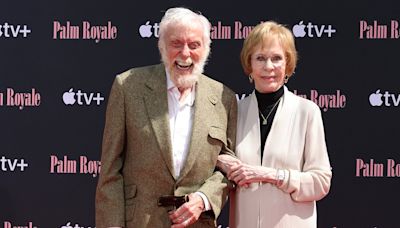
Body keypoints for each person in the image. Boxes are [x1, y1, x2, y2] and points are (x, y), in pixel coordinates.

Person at [95, 7, 237, 228]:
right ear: (162, 46)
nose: (185, 53)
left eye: (194, 45)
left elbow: (227, 168)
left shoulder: (223, 98)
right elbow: (110, 172)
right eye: (176, 44)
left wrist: (203, 199)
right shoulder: (128, 87)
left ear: (206, 49)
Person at [216, 21, 332, 228]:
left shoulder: (307, 111)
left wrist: (270, 175)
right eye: (260, 58)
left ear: (287, 64)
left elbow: (320, 182)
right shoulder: (235, 111)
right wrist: (220, 161)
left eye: (276, 58)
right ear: (249, 64)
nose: (268, 66)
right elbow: (211, 161)